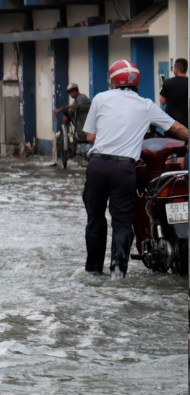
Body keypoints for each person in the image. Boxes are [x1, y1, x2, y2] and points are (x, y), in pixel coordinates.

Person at [82, 59, 188, 276]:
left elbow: (90, 136)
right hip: (124, 169)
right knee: (122, 222)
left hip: (97, 166)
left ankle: (93, 271)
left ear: (112, 81)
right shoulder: (146, 105)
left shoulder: (100, 98)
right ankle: (118, 272)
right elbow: (177, 128)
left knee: (95, 219)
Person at [159, 58, 188, 138]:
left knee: (171, 143)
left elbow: (162, 101)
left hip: (171, 124)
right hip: (186, 123)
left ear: (176, 69)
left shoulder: (167, 83)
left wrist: (162, 87)